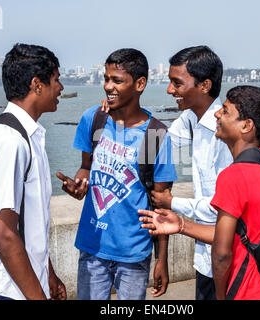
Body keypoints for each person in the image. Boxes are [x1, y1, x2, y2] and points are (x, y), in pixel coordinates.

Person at [57, 48, 177, 300]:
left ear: (140, 84)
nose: (108, 86)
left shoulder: (154, 135)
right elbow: (86, 167)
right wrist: (79, 185)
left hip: (133, 254)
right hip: (92, 247)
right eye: (106, 78)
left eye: (117, 80)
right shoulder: (94, 119)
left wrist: (161, 259)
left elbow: (160, 201)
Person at [139, 85, 260, 300]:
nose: (217, 114)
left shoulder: (235, 175)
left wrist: (221, 296)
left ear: (247, 125)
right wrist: (182, 225)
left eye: (225, 111)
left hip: (242, 286)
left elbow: (223, 252)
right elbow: (234, 234)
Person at [0, 43, 66, 300]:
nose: (61, 88)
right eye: (56, 80)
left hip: (20, 286)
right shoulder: (9, 141)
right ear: (37, 84)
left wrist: (49, 275)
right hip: (4, 290)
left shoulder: (27, 135)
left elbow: (30, 222)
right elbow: (4, 233)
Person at [150, 46, 233, 300]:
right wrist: (115, 114)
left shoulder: (227, 134)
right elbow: (161, 139)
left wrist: (171, 203)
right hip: (206, 260)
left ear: (205, 85)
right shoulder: (190, 119)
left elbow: (223, 208)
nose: (170, 90)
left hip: (229, 260)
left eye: (177, 83)